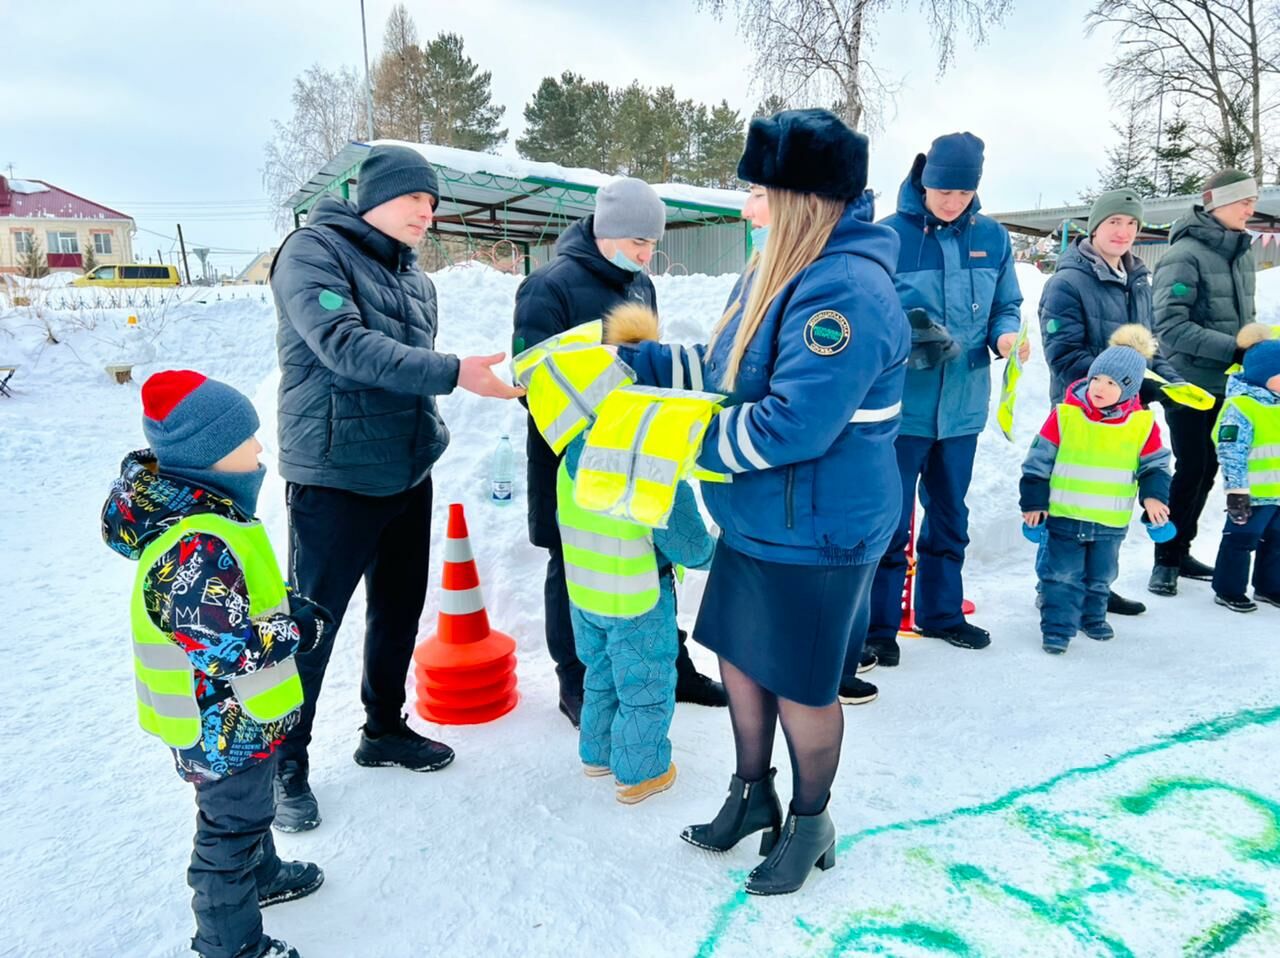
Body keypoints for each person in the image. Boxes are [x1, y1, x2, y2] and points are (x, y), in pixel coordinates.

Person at [618, 108, 909, 895]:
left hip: (819, 526)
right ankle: (753, 795)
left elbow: (792, 425)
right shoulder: (776, 268)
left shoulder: (845, 290)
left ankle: (812, 821)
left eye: (758, 192)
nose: (747, 206)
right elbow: (725, 367)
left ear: (799, 198)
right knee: (741, 654)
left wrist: (676, 440)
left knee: (801, 684)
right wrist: (632, 363)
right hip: (761, 513)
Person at [268, 144, 524, 832]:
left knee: (398, 608)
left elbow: (406, 369)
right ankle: (283, 765)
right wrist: (456, 372)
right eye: (415, 196)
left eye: (434, 202)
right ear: (374, 196)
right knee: (312, 626)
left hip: (407, 470)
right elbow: (343, 346)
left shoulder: (417, 281)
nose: (427, 211)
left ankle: (383, 727)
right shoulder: (311, 253)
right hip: (336, 476)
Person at [102, 370, 329, 958]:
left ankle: (263, 877)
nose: (260, 450)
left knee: (251, 809)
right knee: (230, 830)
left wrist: (284, 604)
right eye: (246, 441)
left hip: (242, 717)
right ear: (209, 455)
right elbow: (226, 646)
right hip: (218, 725)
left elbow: (236, 600)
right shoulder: (193, 543)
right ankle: (228, 945)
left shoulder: (211, 516)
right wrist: (296, 629)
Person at [512, 176, 726, 729]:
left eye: (652, 244)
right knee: (575, 566)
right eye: (638, 242)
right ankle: (578, 681)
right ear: (607, 232)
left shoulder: (640, 285)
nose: (647, 254)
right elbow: (533, 385)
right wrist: (599, 429)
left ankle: (672, 664)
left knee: (657, 560)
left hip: (643, 452)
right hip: (574, 463)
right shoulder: (547, 287)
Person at [527, 305, 716, 802]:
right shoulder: (648, 460)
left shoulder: (570, 451)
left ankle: (596, 755)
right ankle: (641, 773)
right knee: (647, 686)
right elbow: (690, 546)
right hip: (637, 598)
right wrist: (717, 552)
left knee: (602, 678)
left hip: (586, 597)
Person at [864, 132, 1026, 668]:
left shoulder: (994, 239)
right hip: (903, 408)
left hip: (962, 408)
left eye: (961, 192)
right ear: (922, 180)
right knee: (890, 519)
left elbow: (1008, 303)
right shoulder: (888, 236)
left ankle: (942, 614)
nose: (951, 201)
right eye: (941, 190)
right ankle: (878, 627)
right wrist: (906, 338)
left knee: (950, 515)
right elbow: (869, 312)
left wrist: (1006, 335)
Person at [1038, 188, 1182, 617]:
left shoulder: (1139, 280)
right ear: (1096, 226)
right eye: (1115, 222)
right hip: (1081, 414)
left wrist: (1174, 384)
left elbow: (1148, 350)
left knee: (1108, 504)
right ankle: (1056, 589)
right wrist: (1130, 383)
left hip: (1124, 420)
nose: (1124, 232)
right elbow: (1063, 356)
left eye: (1132, 224)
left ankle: (1098, 587)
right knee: (1069, 505)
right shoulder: (1067, 282)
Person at [1020, 329, 1172, 654]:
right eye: (1097, 378)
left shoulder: (1141, 425)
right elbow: (1037, 463)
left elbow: (1155, 466)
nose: (1100, 388)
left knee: (1101, 576)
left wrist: (1154, 495)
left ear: (1129, 389)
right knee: (1061, 576)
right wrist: (1034, 502)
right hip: (1065, 517)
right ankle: (1057, 628)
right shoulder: (1065, 416)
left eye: (1112, 383)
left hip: (1109, 523)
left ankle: (1092, 616)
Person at [1149, 170, 1259, 597]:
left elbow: (1242, 320)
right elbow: (1171, 327)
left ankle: (1183, 547)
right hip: (1188, 382)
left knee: (1210, 469)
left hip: (1229, 384)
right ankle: (1165, 560)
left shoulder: (1241, 251)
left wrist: (1252, 353)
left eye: (1252, 201)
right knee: (1191, 468)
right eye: (1242, 202)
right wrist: (1236, 348)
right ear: (1216, 204)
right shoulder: (1186, 254)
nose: (1250, 209)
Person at [1212, 329, 1280, 612]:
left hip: (1277, 494)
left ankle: (1269, 586)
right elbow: (1231, 452)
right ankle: (1228, 589)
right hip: (1250, 494)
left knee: (1277, 542)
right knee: (1240, 541)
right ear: (1264, 374)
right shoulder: (1241, 407)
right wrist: (1236, 492)